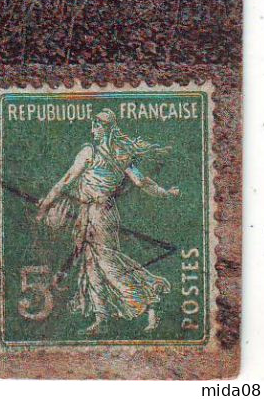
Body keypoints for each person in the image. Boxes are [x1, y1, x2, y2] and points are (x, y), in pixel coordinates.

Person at [36, 110, 178, 334]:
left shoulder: (89, 152)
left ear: (103, 128)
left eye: (96, 125)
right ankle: (101, 318)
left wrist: (45, 206)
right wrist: (166, 193)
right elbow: (143, 182)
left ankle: (150, 296)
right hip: (97, 213)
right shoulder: (121, 153)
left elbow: (65, 180)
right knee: (92, 264)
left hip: (99, 215)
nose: (93, 129)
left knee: (107, 264)